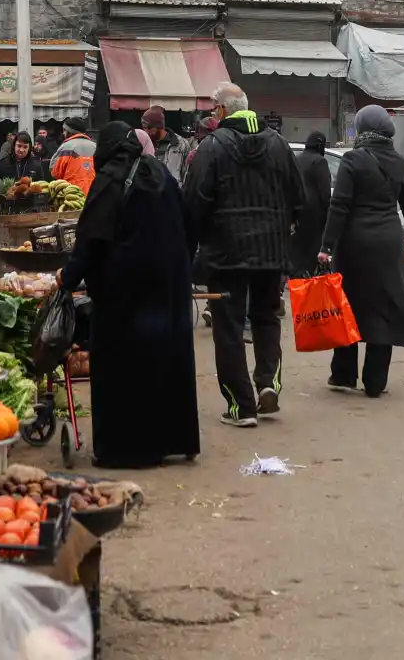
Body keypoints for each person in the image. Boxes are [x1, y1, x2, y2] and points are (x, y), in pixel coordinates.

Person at [59, 121, 199, 466]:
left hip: (125, 293)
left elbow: (91, 238)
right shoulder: (161, 173)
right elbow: (189, 224)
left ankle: (125, 450)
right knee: (167, 364)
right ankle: (174, 441)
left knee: (123, 369)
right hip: (168, 288)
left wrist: (68, 277)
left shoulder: (110, 179)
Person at [186, 82, 303, 427]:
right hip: (271, 251)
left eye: (213, 109)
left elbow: (194, 202)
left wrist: (192, 245)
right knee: (267, 318)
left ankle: (241, 407)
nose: (211, 115)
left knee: (230, 328)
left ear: (222, 111)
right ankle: (268, 384)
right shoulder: (279, 145)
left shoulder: (213, 147)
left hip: (226, 254)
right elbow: (299, 197)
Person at [317, 107, 404, 397]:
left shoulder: (353, 159)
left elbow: (340, 205)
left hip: (355, 243)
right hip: (388, 241)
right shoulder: (400, 161)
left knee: (349, 306)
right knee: (383, 307)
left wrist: (326, 246)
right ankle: (375, 382)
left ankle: (343, 376)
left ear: (361, 129)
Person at [288, 132, 333, 277]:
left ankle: (300, 292)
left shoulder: (298, 159)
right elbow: (325, 194)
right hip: (315, 218)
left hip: (298, 215)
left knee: (299, 262)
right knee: (311, 259)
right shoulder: (320, 161)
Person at [0, 130, 46, 196]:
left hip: (30, 204)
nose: (22, 150)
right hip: (8, 203)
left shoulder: (36, 165)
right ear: (14, 145)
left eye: (25, 147)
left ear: (29, 148)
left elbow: (41, 186)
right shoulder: (2, 164)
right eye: (19, 146)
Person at [141, 106, 187, 181]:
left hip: (173, 190)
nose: (146, 131)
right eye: (144, 128)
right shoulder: (145, 144)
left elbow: (186, 172)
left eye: (148, 128)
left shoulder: (181, 144)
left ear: (159, 126)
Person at [50, 126, 96, 194]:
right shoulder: (95, 146)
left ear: (70, 131)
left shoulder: (66, 146)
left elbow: (55, 172)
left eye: (65, 131)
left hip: (72, 192)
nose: (63, 133)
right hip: (93, 192)